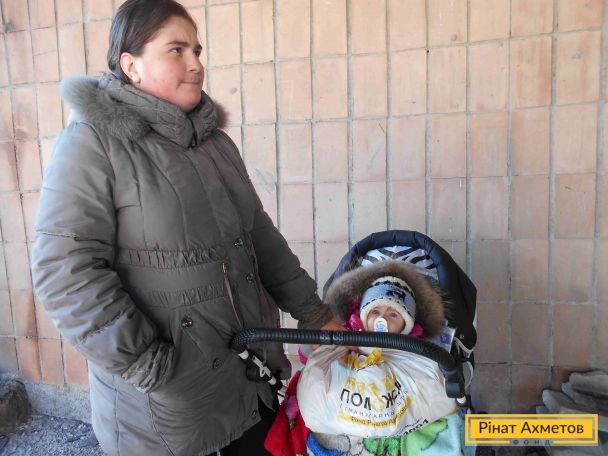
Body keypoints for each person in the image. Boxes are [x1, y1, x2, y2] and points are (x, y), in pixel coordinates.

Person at [31, 1, 342, 455]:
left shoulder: (215, 143)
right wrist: (147, 364)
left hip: (250, 378)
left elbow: (260, 237)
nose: (196, 64)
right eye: (176, 50)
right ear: (131, 65)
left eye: (197, 50)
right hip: (168, 407)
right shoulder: (92, 143)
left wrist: (316, 316)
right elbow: (64, 273)